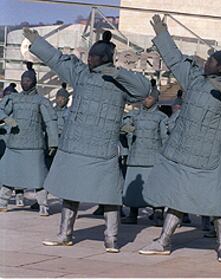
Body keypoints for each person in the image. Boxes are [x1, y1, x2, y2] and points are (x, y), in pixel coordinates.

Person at [139, 15, 221, 263]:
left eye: (211, 60)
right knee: (176, 201)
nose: (206, 62)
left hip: (209, 159)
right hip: (183, 153)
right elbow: (174, 59)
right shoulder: (193, 80)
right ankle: (163, 241)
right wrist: (162, 34)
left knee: (215, 204)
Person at [22, 28, 151, 253]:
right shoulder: (80, 74)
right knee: (71, 191)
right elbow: (56, 59)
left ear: (105, 58)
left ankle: (111, 238)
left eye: (94, 56)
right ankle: (64, 234)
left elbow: (143, 90)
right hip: (76, 145)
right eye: (89, 55)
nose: (89, 59)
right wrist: (36, 41)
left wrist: (117, 73)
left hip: (104, 149)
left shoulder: (120, 81)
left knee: (109, 195)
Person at [0, 62, 59, 216]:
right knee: (9, 175)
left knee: (38, 178)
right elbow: (0, 110)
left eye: (28, 80)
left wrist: (53, 142)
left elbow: (50, 122)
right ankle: (2, 202)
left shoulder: (41, 101)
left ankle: (43, 205)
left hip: (34, 146)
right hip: (15, 145)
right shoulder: (13, 98)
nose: (24, 82)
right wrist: (5, 118)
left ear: (33, 82)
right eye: (23, 80)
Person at [121, 91, 168, 226]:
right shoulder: (134, 115)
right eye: (145, 97)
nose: (146, 100)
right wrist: (129, 129)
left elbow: (165, 138)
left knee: (155, 188)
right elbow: (121, 126)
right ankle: (132, 214)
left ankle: (158, 214)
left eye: (149, 98)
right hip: (136, 156)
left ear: (156, 100)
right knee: (134, 189)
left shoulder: (161, 117)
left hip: (154, 158)